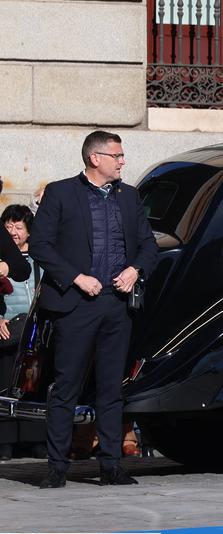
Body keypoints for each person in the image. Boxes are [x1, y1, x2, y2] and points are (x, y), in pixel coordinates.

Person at [29, 130, 157, 489]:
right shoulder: (61, 193)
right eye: (117, 155)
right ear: (95, 158)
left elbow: (148, 246)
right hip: (76, 305)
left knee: (111, 389)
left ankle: (111, 466)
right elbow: (40, 244)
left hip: (117, 307)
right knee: (66, 386)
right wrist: (75, 278)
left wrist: (135, 270)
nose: (122, 161)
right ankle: (56, 467)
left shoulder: (130, 197)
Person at [0, 205, 46, 460]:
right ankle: (5, 441)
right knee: (5, 385)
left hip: (34, 328)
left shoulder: (39, 257)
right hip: (7, 328)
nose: (13, 232)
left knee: (33, 383)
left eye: (19, 227)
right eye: (8, 227)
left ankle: (35, 439)